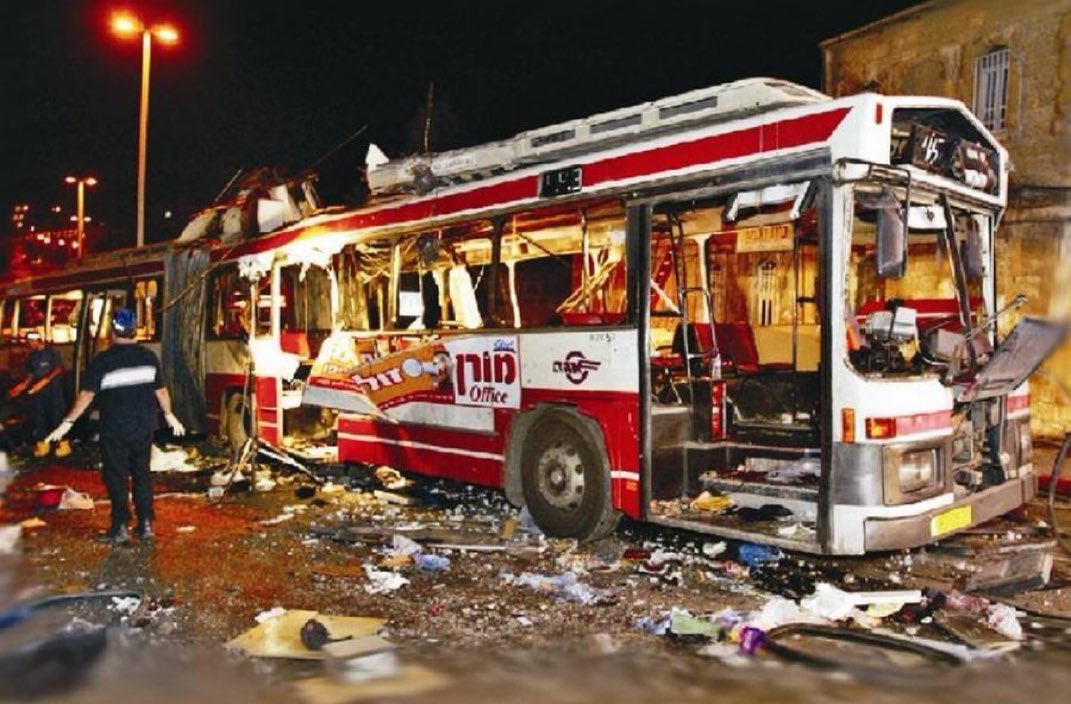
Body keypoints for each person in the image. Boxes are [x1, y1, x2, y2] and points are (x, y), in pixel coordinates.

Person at [46, 308, 185, 544]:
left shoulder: (103, 361)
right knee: (142, 475)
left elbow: (87, 395)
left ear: (113, 331)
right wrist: (170, 415)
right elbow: (161, 391)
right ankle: (146, 525)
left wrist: (67, 423)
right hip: (144, 427)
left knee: (117, 477)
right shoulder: (148, 357)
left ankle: (120, 527)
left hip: (115, 429)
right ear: (135, 330)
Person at [7, 331, 69, 458]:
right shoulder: (32, 356)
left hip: (54, 392)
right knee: (41, 419)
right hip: (40, 394)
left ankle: (63, 445)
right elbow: (31, 374)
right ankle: (43, 446)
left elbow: (59, 368)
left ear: (39, 340)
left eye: (31, 342)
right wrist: (22, 386)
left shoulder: (52, 352)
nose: (29, 344)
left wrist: (46, 380)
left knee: (57, 418)